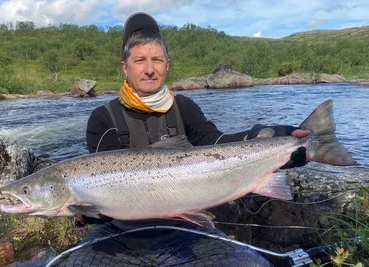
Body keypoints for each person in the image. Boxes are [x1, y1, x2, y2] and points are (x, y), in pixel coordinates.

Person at [74, 12, 309, 266]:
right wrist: (88, 212)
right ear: (125, 66)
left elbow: (216, 144)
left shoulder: (183, 107)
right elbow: (97, 191)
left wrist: (266, 137)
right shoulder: (103, 118)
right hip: (119, 233)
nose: (150, 69)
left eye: (157, 60)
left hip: (185, 229)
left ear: (167, 65)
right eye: (140, 60)